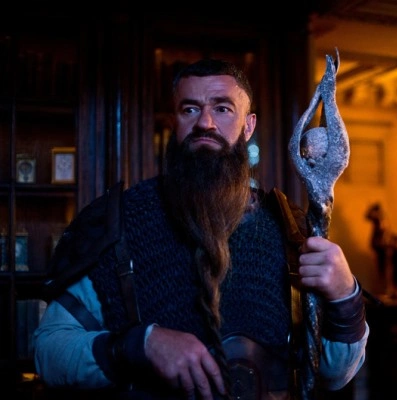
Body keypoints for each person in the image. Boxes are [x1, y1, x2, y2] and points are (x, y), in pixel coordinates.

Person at [33, 58, 369, 400]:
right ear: (173, 122)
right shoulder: (122, 221)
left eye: (222, 109)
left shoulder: (289, 229)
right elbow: (49, 351)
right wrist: (142, 344)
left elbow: (335, 373)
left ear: (248, 125)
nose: (205, 123)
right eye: (190, 109)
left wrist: (346, 295)